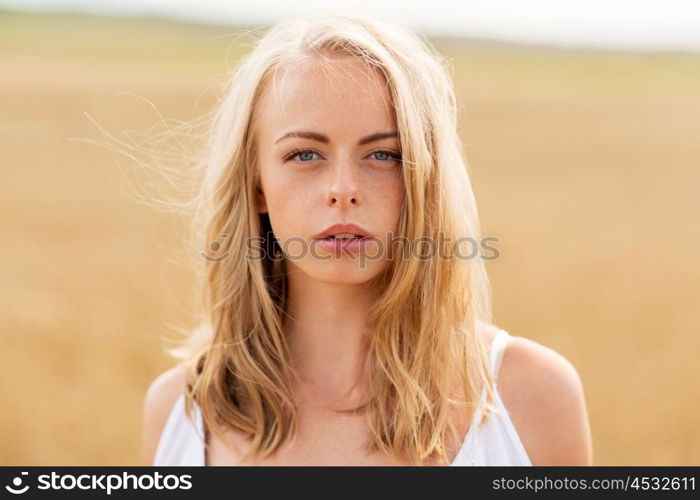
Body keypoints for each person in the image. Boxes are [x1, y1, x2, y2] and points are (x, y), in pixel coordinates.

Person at [140, 11, 593, 466]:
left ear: (425, 179)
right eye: (304, 154)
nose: (343, 189)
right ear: (256, 184)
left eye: (383, 154)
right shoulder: (180, 415)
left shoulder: (529, 399)